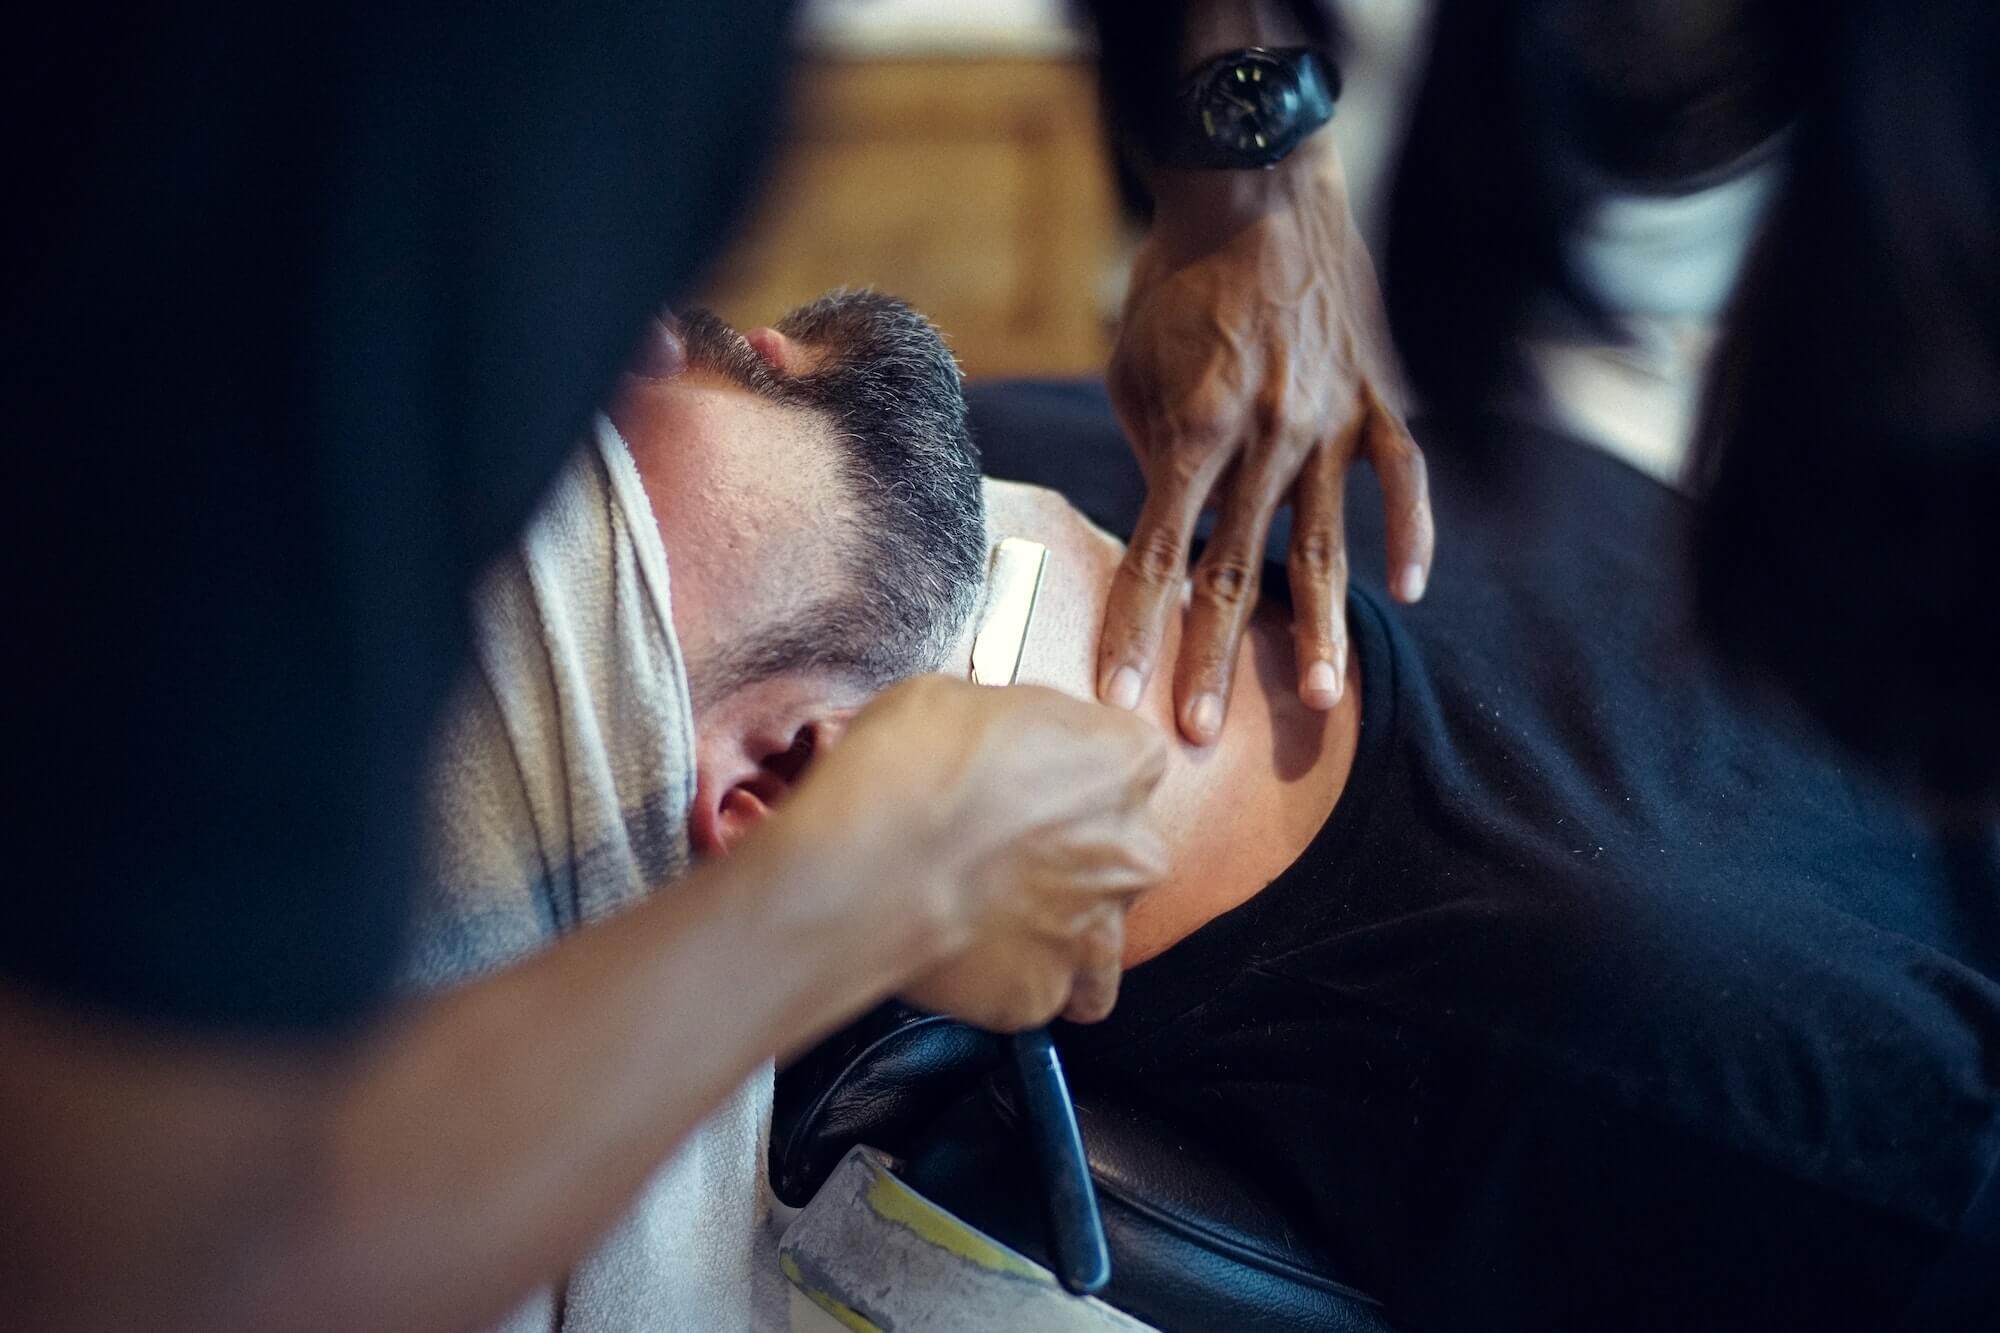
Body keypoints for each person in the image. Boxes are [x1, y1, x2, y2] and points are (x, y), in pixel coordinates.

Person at [682, 371, 1999, 1330]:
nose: (661, 343)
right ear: (773, 784)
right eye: (607, 503)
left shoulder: (1027, 432)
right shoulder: (1664, 1033)